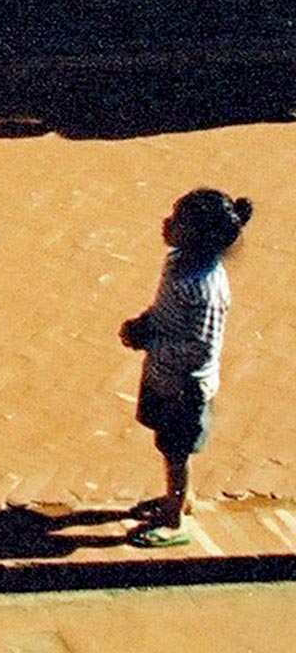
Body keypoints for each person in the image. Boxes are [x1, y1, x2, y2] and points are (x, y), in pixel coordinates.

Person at [119, 187, 253, 546]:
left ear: (198, 236)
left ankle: (175, 519)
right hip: (164, 373)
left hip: (186, 384)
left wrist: (151, 341)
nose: (167, 222)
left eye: (177, 220)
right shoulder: (177, 262)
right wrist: (145, 322)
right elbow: (166, 310)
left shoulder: (204, 288)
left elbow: (200, 347)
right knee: (168, 444)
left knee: (176, 449)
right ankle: (178, 496)